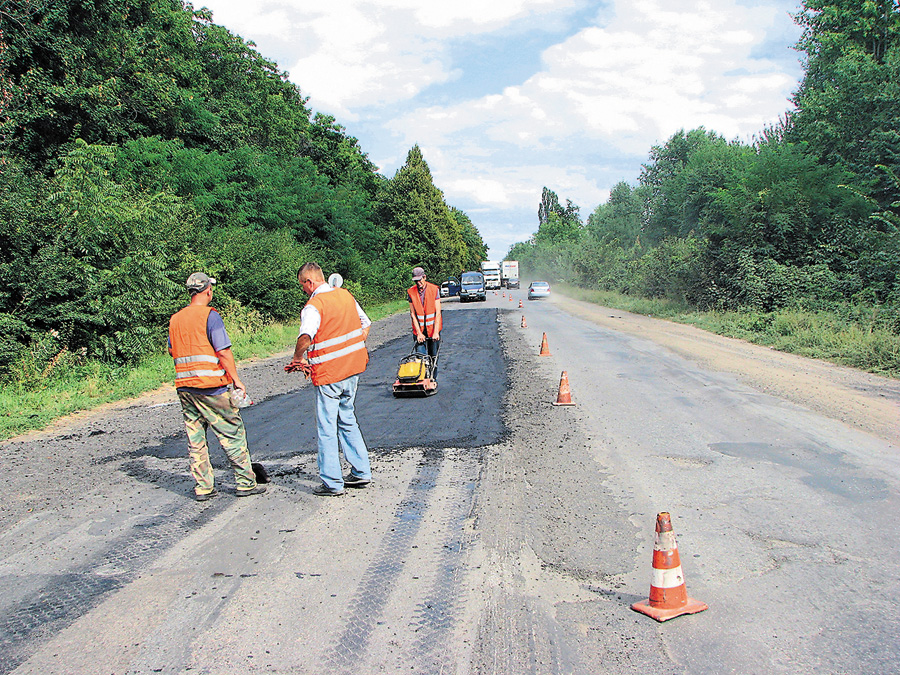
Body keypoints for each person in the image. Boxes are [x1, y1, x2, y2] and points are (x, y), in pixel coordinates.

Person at [168, 273, 266, 501]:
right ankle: (245, 483)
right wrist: (236, 380)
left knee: (196, 440)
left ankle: (203, 488)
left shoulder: (175, 319)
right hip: (211, 387)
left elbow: (173, 351)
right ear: (207, 291)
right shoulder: (210, 316)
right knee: (232, 433)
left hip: (185, 388)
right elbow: (222, 351)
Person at [286, 263, 372, 496]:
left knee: (326, 426)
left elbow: (306, 336)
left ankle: (333, 483)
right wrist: (351, 348)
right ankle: (361, 471)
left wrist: (297, 357)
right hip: (353, 369)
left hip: (329, 375)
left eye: (302, 285)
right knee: (347, 418)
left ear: (309, 282)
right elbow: (366, 324)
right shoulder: (345, 296)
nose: (303, 290)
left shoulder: (314, 306)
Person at [407, 266, 442, 378]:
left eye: (420, 280)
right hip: (420, 331)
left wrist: (436, 332)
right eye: (416, 281)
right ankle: (421, 380)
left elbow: (438, 312)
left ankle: (433, 379)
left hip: (433, 330)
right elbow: (413, 314)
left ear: (424, 277)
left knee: (433, 357)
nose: (418, 283)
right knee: (420, 358)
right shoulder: (411, 292)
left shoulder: (434, 290)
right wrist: (419, 333)